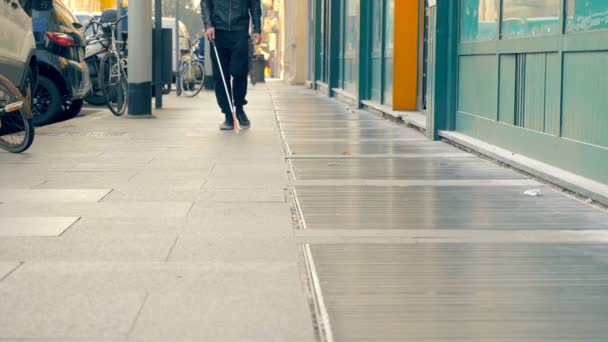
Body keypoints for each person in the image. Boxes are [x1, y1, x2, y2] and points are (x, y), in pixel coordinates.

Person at [201, 0, 262, 130]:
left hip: (240, 30)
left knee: (239, 71)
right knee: (221, 76)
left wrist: (256, 28)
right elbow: (205, 2)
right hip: (217, 31)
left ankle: (239, 108)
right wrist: (208, 25)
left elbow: (255, 4)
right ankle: (228, 115)